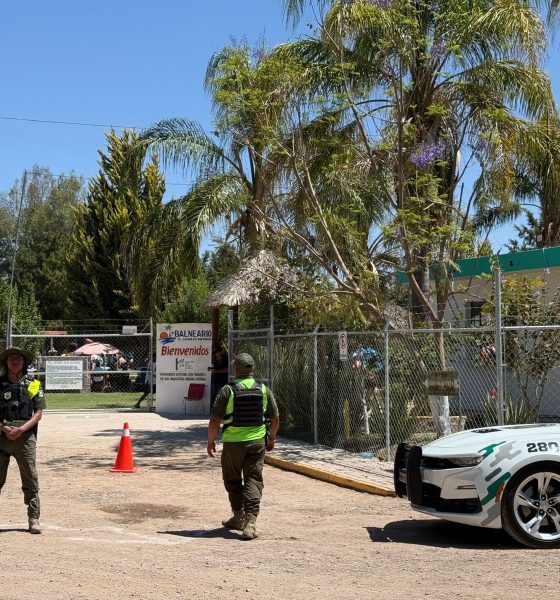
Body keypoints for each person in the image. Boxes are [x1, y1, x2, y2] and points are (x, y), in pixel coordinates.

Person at [207, 352, 279, 540]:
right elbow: (275, 418)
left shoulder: (227, 391)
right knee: (253, 479)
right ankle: (250, 523)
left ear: (236, 369)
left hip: (233, 444)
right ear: (252, 369)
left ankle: (238, 515)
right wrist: (271, 438)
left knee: (232, 479)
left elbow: (215, 420)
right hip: (257, 443)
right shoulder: (263, 389)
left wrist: (210, 441)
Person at [0, 347, 45, 534]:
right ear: (6, 362)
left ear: (24, 362)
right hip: (2, 438)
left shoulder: (33, 384)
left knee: (30, 479)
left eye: (18, 358)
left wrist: (21, 429)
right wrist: (4, 427)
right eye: (11, 358)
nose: (15, 361)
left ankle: (34, 518)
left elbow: (38, 413)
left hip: (25, 438)